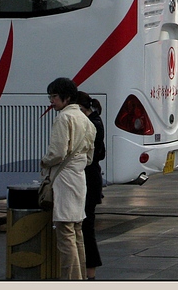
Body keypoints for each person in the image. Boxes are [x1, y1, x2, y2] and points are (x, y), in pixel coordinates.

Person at [41, 77, 96, 280]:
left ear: (67, 98)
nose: (52, 101)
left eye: (54, 97)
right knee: (77, 231)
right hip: (79, 177)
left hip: (64, 179)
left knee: (65, 233)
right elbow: (90, 157)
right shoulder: (85, 119)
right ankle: (81, 277)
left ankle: (71, 279)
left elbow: (57, 152)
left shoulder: (64, 118)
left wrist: (44, 162)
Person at [76, 92, 105, 280]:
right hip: (92, 180)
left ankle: (88, 273)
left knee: (86, 228)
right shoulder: (96, 120)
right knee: (87, 227)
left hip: (88, 180)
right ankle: (88, 273)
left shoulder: (90, 124)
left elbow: (94, 154)